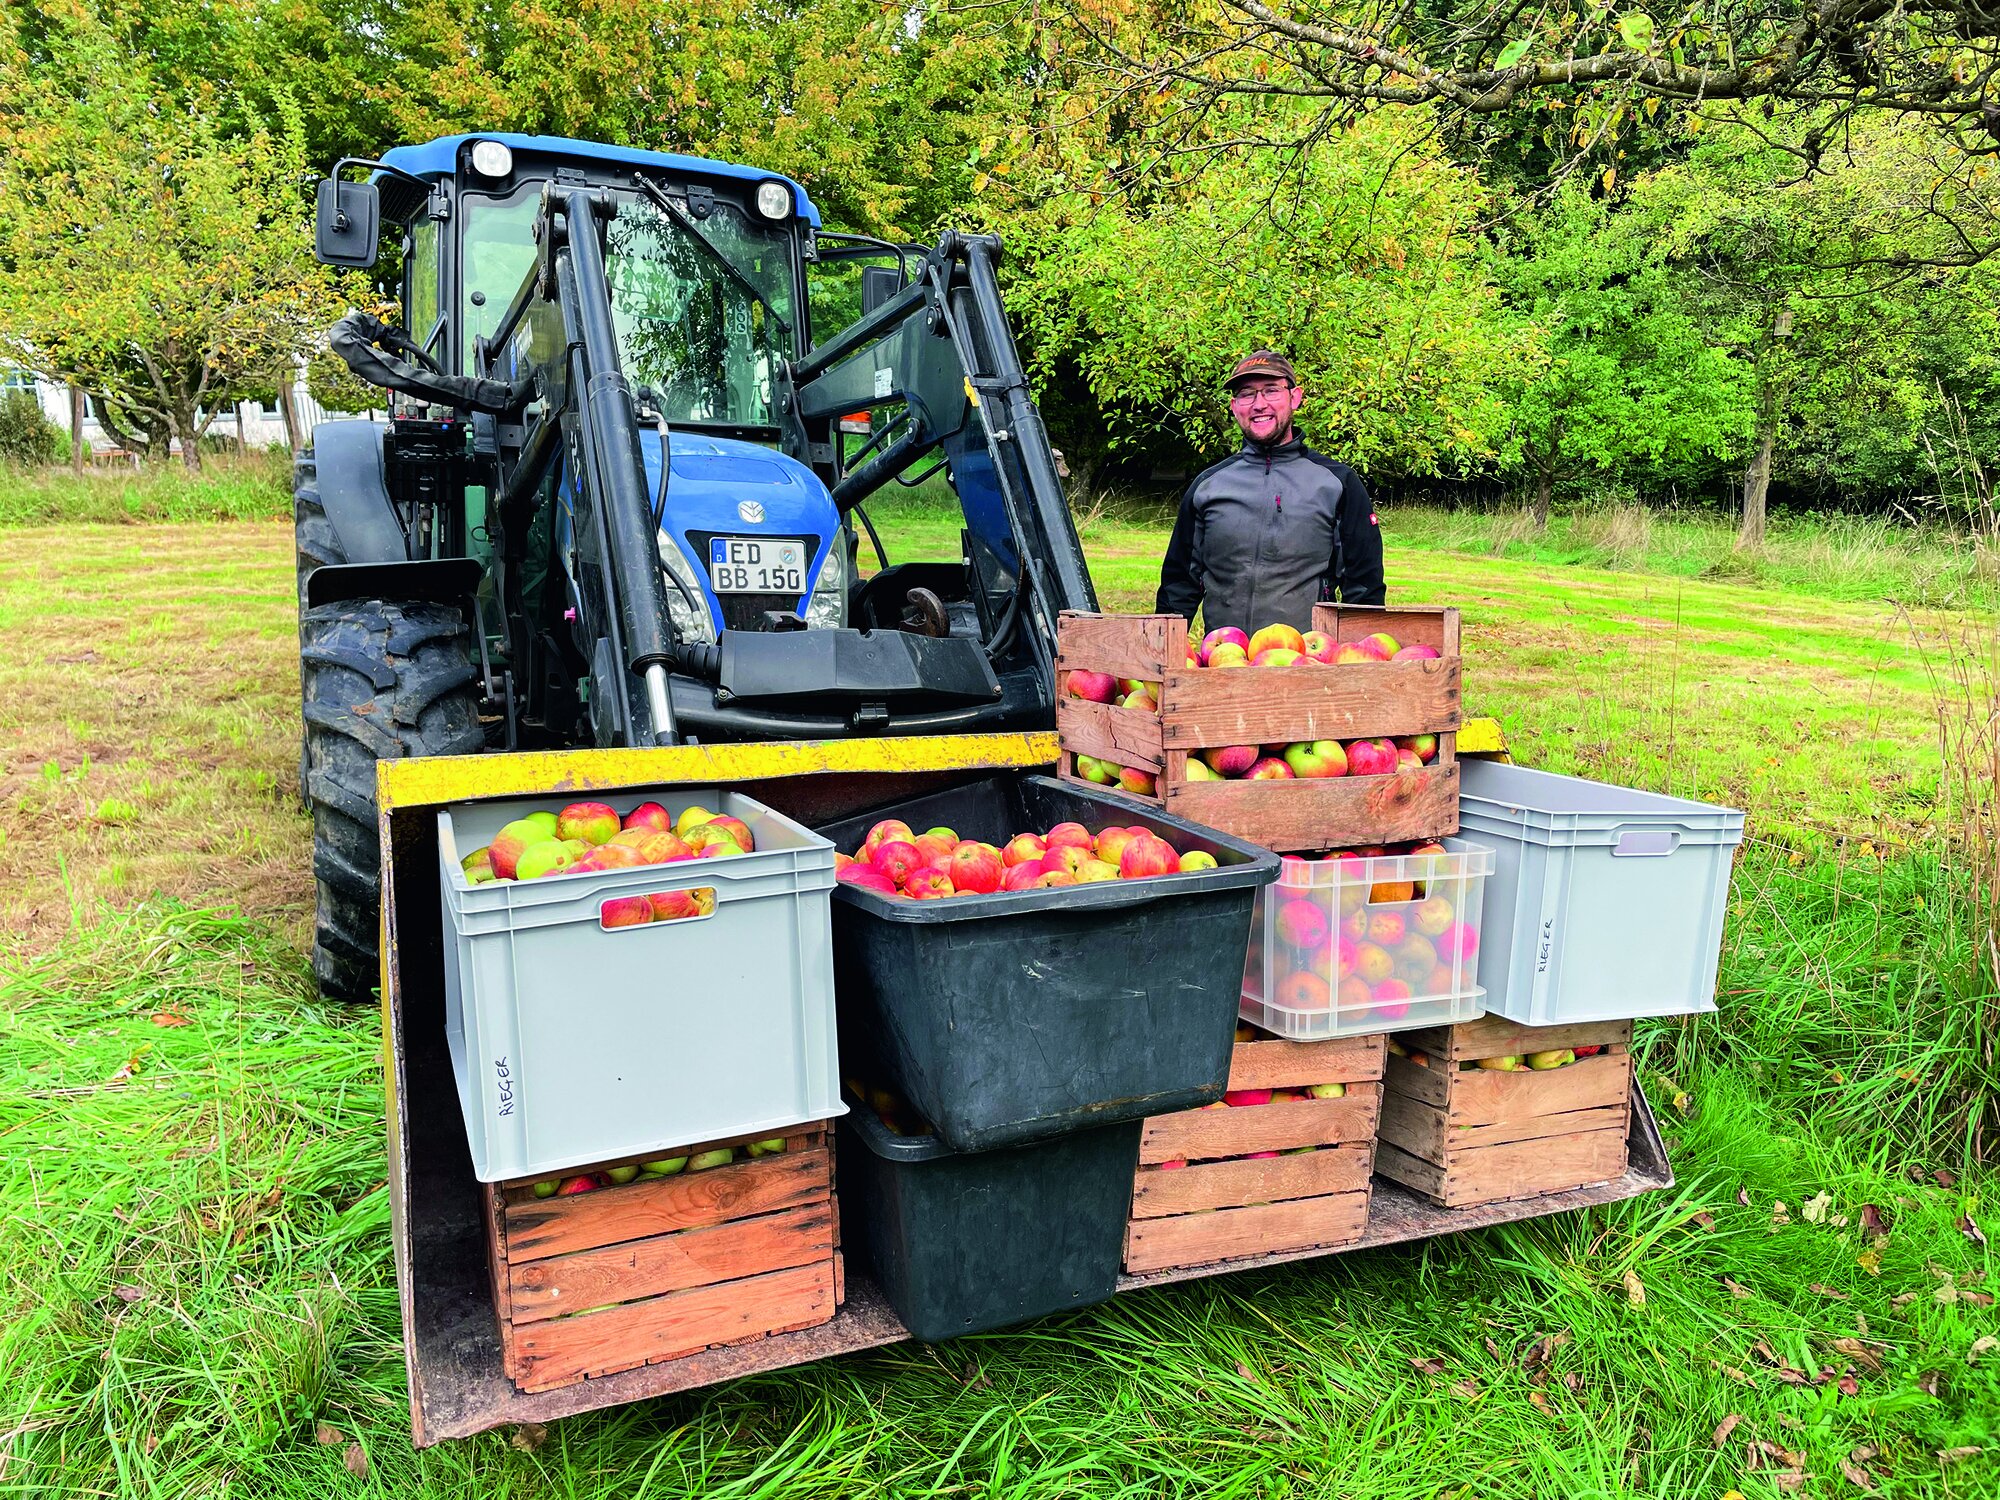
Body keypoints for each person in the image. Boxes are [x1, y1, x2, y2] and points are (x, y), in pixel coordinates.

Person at [1155, 350, 1385, 637]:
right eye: (1246, 394)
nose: (1258, 404)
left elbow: (1364, 587)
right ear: (1233, 406)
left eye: (1271, 391)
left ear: (1295, 397)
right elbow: (1178, 586)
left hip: (1307, 663)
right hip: (1224, 659)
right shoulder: (1208, 485)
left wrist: (1360, 663)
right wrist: (1162, 654)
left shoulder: (1337, 483)